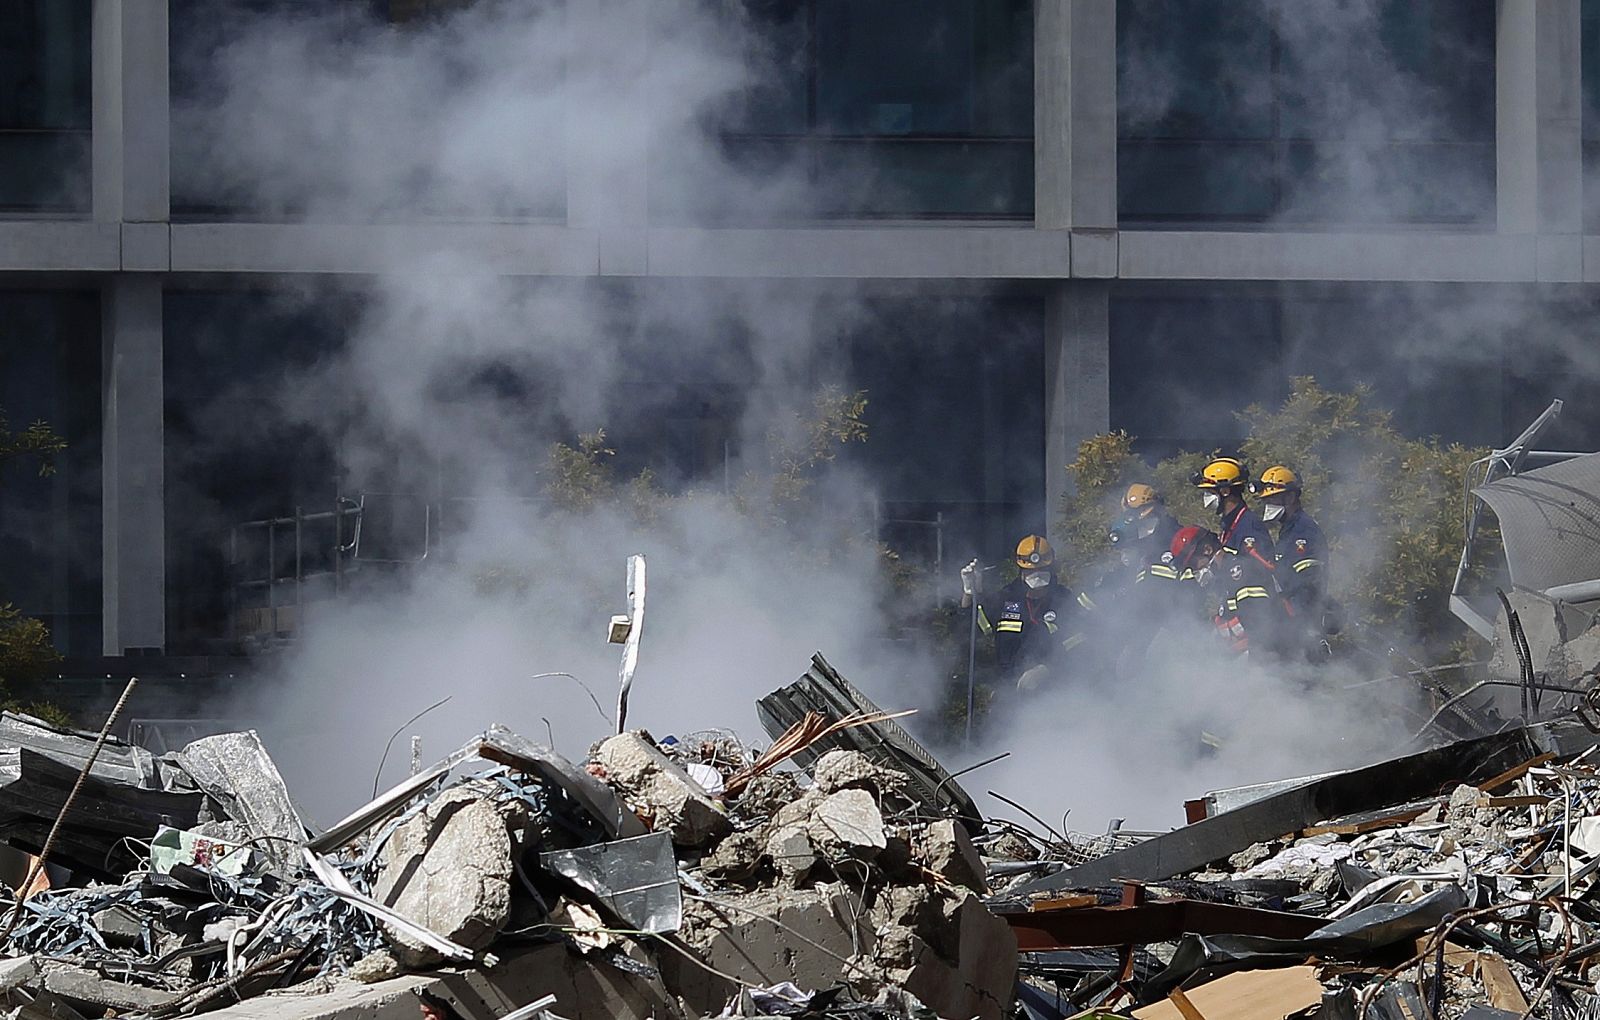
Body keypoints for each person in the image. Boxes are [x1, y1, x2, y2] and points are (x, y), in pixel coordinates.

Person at [960, 535, 1090, 690]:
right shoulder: (1005, 599)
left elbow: (1081, 643)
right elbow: (969, 629)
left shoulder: (1065, 600)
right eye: (1030, 570)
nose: (1036, 574)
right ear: (1021, 570)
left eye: (1042, 570)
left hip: (1056, 692)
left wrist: (1047, 668)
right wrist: (970, 593)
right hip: (1009, 693)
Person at [1253, 465, 1336, 655]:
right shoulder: (1289, 530)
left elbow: (1308, 586)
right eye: (1266, 500)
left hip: (1303, 630)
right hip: (1291, 628)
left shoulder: (1303, 531)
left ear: (1290, 497)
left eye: (1273, 499)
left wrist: (1300, 625)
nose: (1269, 505)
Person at [1167, 525, 1287, 656]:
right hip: (1253, 659)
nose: (1193, 571)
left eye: (1193, 564)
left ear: (1207, 549)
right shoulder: (1221, 578)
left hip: (1273, 658)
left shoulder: (1238, 569)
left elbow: (1259, 624)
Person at [1191, 456, 1276, 570]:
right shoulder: (1228, 523)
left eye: (1210, 491)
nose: (1206, 496)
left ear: (1225, 491)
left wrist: (1225, 562)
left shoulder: (1249, 525)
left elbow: (1262, 569)